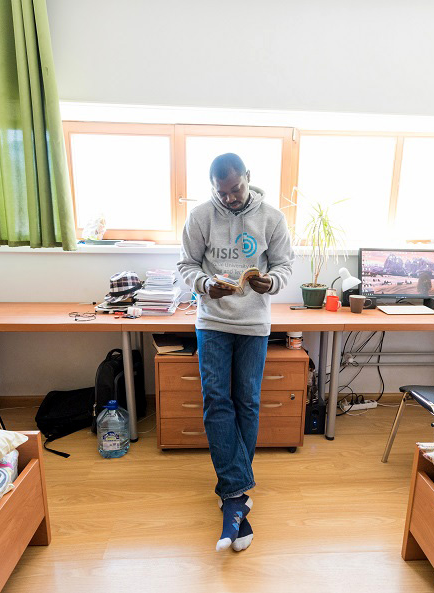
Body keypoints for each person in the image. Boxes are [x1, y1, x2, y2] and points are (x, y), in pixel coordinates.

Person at [177, 153, 294, 552]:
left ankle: (235, 493)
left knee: (247, 401)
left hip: (254, 323)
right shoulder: (200, 216)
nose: (229, 198)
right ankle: (236, 494)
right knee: (216, 400)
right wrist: (204, 284)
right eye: (221, 192)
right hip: (212, 321)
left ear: (248, 177)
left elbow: (284, 266)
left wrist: (270, 283)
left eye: (235, 189)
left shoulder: (272, 218)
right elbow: (186, 265)